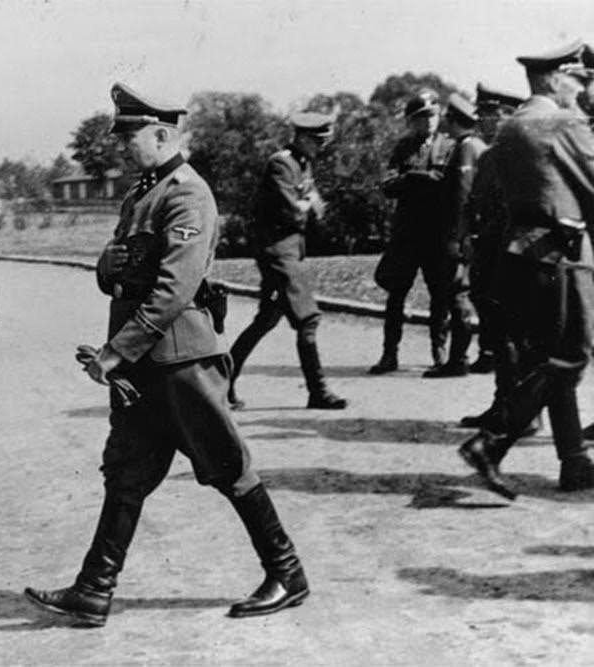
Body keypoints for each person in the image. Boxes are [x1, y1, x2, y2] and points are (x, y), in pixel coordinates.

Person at [24, 83, 308, 628]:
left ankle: (287, 572)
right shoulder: (142, 195)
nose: (124, 146)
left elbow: (174, 289)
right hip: (145, 366)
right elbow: (124, 272)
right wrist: (112, 269)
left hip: (180, 362)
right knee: (127, 473)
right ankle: (93, 589)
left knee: (228, 466)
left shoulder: (187, 193)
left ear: (162, 132)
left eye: (132, 135)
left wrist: (114, 353)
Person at [457, 41, 594, 498]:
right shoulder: (563, 121)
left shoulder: (511, 128)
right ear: (555, 79)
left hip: (520, 254)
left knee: (548, 360)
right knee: (570, 355)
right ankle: (491, 443)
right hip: (560, 254)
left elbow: (486, 194)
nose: (583, 87)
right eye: (579, 78)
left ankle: (574, 462)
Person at [227, 112, 347, 410]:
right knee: (307, 318)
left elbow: (316, 207)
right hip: (278, 252)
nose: (321, 148)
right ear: (303, 138)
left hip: (291, 249)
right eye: (318, 142)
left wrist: (308, 204)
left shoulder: (302, 163)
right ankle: (317, 391)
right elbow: (294, 210)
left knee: (266, 319)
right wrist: (307, 203)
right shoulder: (281, 163)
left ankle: (220, 382)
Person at [369, 90, 455, 374]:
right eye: (420, 118)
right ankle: (389, 353)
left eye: (431, 115)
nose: (428, 122)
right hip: (407, 235)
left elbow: (452, 184)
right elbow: (388, 185)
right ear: (410, 122)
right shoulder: (402, 148)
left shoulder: (450, 146)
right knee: (396, 294)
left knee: (440, 295)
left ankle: (439, 351)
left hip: (437, 234)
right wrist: (415, 177)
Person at [460, 84, 530, 431]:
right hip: (487, 256)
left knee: (514, 335)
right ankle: (503, 404)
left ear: (512, 117)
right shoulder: (488, 156)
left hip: (510, 255)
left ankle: (520, 411)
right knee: (497, 335)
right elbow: (474, 204)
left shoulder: (520, 157)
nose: (488, 121)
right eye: (484, 115)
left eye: (496, 115)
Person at [422, 94, 487, 378]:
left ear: (454, 120)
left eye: (447, 118)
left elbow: (462, 196)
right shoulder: (475, 146)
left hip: (457, 235)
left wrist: (457, 236)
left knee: (457, 293)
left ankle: (457, 360)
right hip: (469, 234)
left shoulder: (465, 149)